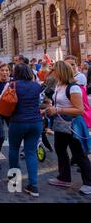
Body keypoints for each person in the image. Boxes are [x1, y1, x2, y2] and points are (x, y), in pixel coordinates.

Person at [0, 64, 43, 197]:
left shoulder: (13, 85)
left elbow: (1, 101)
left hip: (18, 122)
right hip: (36, 122)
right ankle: (33, 186)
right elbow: (40, 101)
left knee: (14, 149)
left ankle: (14, 182)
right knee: (31, 153)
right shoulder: (36, 85)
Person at [46, 61, 91, 195]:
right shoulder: (59, 85)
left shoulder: (73, 88)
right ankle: (64, 178)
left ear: (60, 72)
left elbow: (79, 109)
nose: (52, 73)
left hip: (73, 125)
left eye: (54, 70)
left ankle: (89, 183)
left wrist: (58, 110)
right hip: (61, 125)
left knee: (79, 154)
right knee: (60, 150)